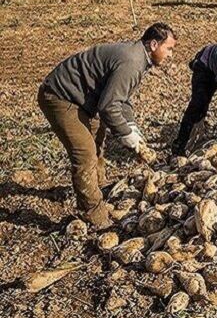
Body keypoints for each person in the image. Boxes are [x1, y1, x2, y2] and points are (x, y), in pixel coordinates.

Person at [38, 22, 177, 228]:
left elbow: (122, 98)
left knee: (97, 142)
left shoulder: (139, 57)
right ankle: (94, 215)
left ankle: (100, 190)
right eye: (169, 48)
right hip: (61, 96)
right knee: (84, 153)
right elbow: (108, 106)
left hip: (85, 99)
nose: (171, 55)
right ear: (154, 44)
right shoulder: (132, 61)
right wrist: (126, 135)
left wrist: (132, 127)